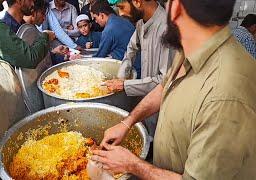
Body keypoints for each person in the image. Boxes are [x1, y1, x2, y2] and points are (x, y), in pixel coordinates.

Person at [91, 0, 256, 179]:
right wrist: (127, 122)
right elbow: (165, 85)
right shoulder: (192, 46)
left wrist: (132, 164)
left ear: (176, 6)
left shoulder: (225, 95)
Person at [104, 0, 173, 139]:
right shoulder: (142, 22)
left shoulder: (168, 28)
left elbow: (165, 81)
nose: (121, 13)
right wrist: (122, 75)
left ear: (137, 2)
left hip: (162, 106)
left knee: (156, 141)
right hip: (145, 99)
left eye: (122, 7)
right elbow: (131, 48)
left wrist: (125, 85)